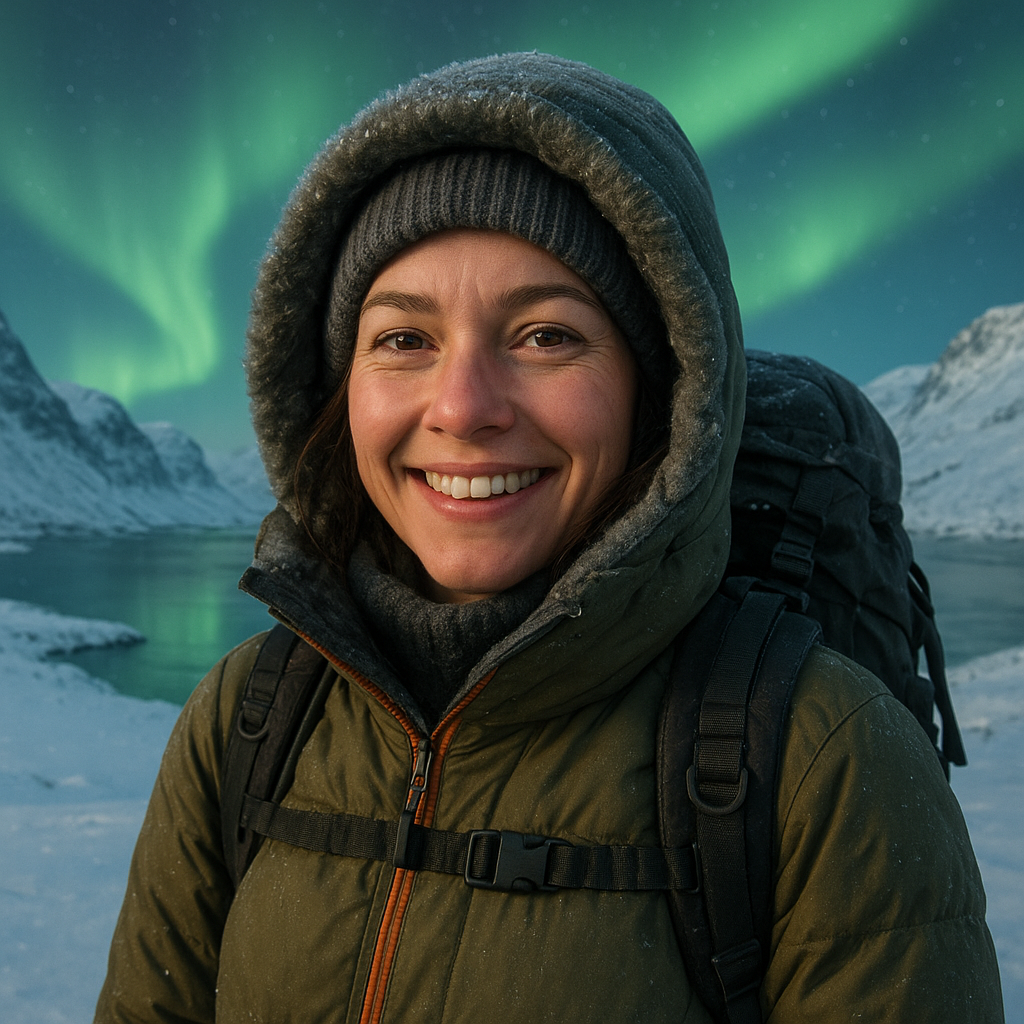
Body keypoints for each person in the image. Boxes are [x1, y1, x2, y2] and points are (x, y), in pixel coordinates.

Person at [94, 53, 1003, 1023]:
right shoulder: (244, 722)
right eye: (403, 339)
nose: (462, 407)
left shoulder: (823, 762)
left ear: (661, 391)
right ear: (335, 390)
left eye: (546, 336)